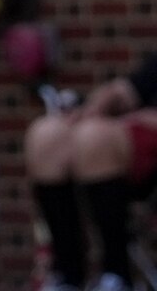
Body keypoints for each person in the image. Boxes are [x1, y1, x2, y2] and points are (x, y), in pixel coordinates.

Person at [29, 47, 157, 291]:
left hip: (143, 145)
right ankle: (67, 275)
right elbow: (125, 89)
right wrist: (90, 109)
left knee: (94, 137)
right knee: (46, 136)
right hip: (124, 131)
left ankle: (117, 275)